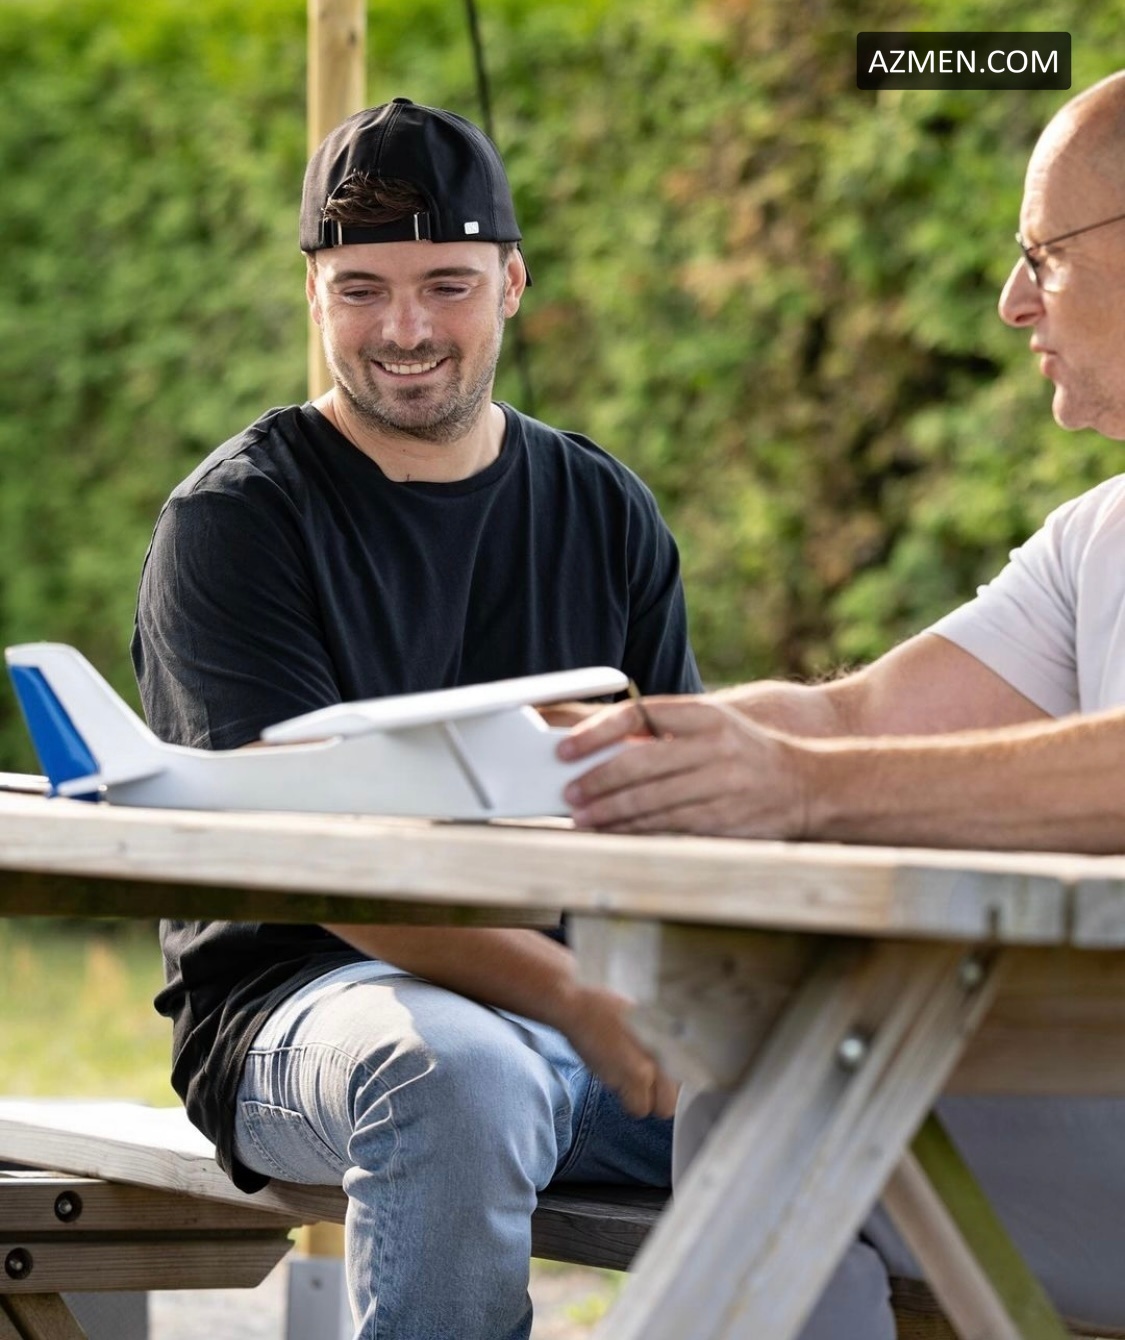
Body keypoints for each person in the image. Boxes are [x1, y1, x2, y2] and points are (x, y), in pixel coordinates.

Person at [559, 70, 1125, 1337]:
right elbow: (863, 718)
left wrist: (805, 791)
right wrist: (622, 739)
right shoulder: (1100, 533)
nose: (1012, 298)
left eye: (1044, 252)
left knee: (788, 1100)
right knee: (777, 1088)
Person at [132, 97, 699, 1340]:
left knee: (876, 1090)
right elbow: (304, 853)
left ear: (513, 282)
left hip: (586, 1012)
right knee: (459, 1074)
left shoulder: (604, 507)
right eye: (361, 289)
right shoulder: (233, 522)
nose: (405, 330)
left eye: (447, 284)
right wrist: (573, 996)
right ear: (313, 294)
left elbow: (684, 807)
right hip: (308, 1001)